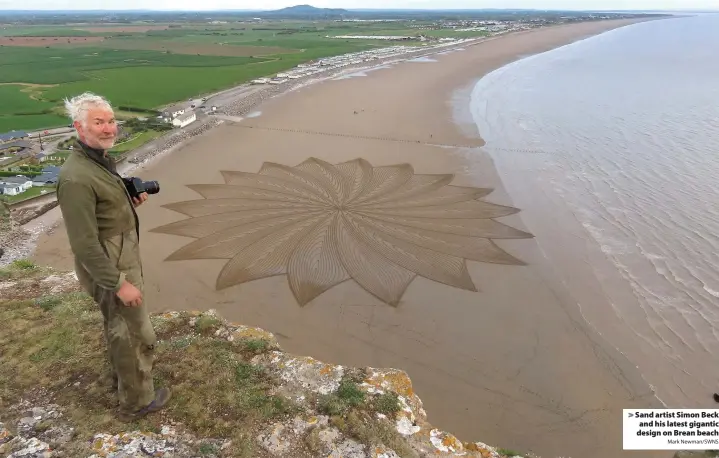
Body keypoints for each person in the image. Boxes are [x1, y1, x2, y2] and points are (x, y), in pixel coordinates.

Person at [56, 92, 170, 421]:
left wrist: (126, 203)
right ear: (79, 127)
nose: (108, 128)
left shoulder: (98, 162)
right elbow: (84, 242)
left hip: (119, 259)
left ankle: (124, 381)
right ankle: (137, 403)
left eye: (110, 121)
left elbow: (102, 214)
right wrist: (119, 283)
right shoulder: (76, 177)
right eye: (99, 122)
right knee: (137, 334)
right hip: (111, 267)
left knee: (119, 328)